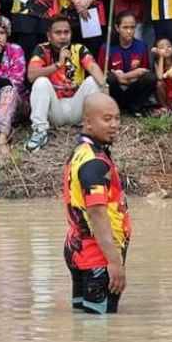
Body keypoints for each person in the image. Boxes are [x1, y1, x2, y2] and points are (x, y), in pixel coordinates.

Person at [63, 92, 130, 315]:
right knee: (100, 329)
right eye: (107, 119)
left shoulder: (81, 152)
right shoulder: (94, 162)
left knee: (84, 322)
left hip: (79, 250)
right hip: (98, 257)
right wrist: (114, 262)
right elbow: (97, 213)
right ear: (88, 122)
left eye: (117, 118)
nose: (114, 125)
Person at [25, 16, 105, 151]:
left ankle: (92, 130)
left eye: (66, 32)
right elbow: (31, 76)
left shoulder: (79, 49)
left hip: (76, 107)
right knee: (40, 82)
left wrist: (105, 87)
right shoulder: (42, 49)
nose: (63, 37)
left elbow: (92, 66)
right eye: (58, 33)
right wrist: (58, 64)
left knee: (93, 80)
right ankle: (40, 131)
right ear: (49, 36)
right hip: (54, 109)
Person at [98, 12, 157, 115]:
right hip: (115, 90)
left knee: (151, 78)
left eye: (132, 27)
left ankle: (135, 106)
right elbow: (102, 73)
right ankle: (115, 106)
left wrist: (123, 77)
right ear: (117, 28)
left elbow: (144, 71)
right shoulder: (106, 47)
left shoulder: (141, 46)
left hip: (133, 88)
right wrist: (128, 76)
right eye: (125, 27)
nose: (129, 31)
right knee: (110, 78)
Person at [0, 16, 28, 159]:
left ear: (7, 34)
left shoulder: (15, 50)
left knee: (9, 90)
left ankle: (2, 138)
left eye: (1, 33)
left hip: (17, 103)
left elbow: (16, 81)